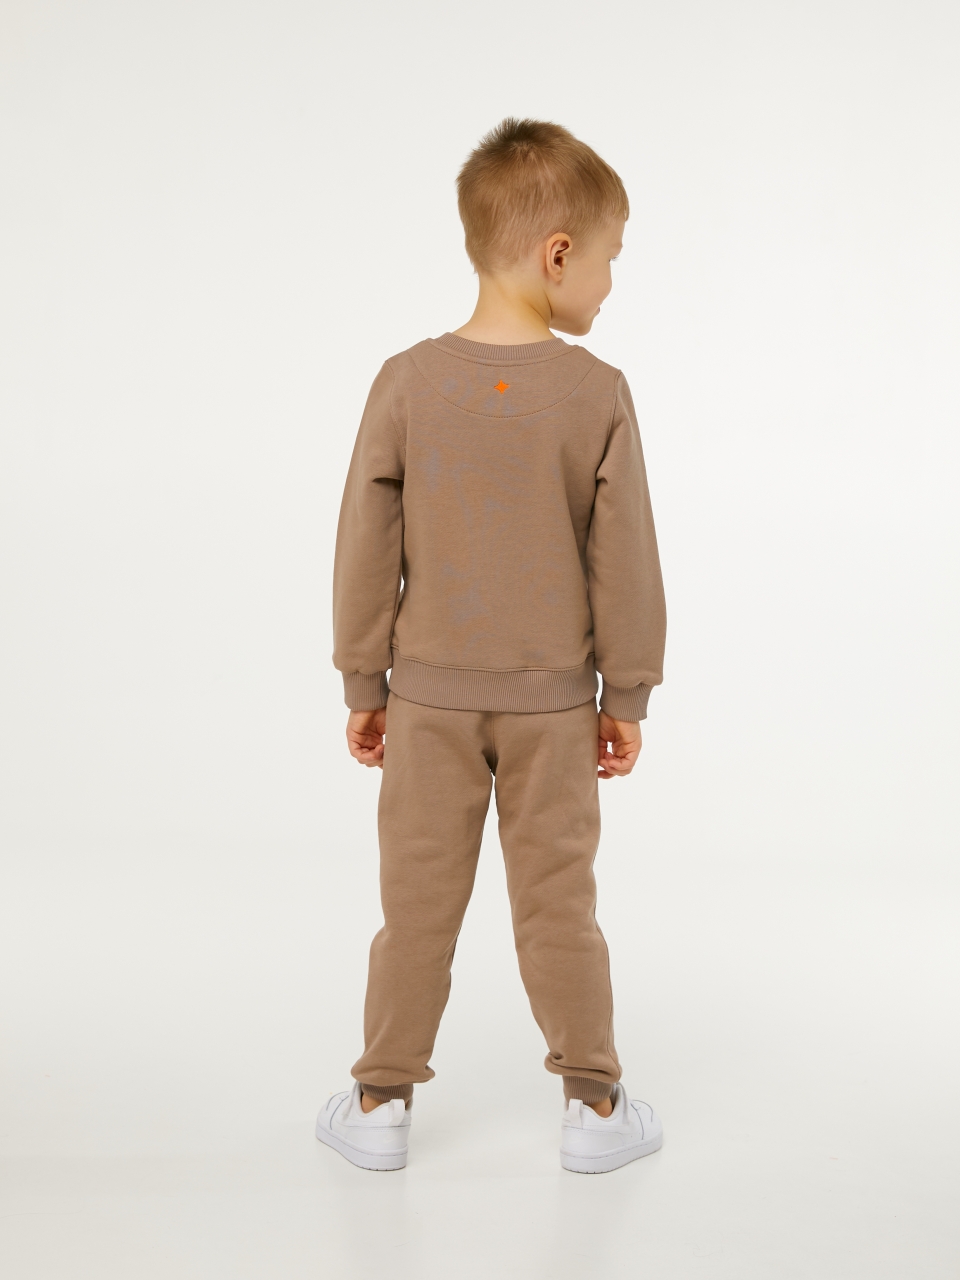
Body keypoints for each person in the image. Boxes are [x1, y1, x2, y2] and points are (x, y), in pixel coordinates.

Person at [316, 118, 667, 1174]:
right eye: (609, 258)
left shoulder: (405, 381)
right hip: (554, 710)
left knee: (415, 906)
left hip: (425, 703)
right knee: (560, 904)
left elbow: (366, 543)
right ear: (558, 253)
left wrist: (365, 679)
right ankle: (594, 1109)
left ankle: (378, 1103)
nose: (611, 283)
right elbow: (626, 560)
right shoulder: (597, 393)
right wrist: (626, 696)